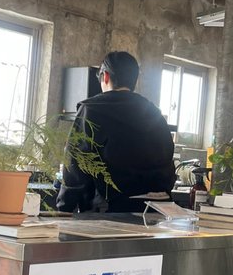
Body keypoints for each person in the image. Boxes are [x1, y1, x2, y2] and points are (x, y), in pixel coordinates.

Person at [56, 50, 176, 214]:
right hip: (159, 209)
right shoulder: (154, 113)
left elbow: (75, 165)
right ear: (134, 80)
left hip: (112, 211)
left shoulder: (92, 110)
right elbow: (168, 160)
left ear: (105, 76)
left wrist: (64, 207)